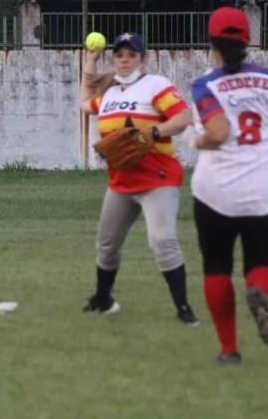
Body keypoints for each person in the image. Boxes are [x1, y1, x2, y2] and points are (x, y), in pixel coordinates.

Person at [189, 7, 268, 363]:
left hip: (216, 192)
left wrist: (198, 141)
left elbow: (218, 133)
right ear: (248, 40)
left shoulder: (206, 84)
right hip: (265, 190)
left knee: (217, 267)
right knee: (262, 262)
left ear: (211, 41)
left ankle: (229, 350)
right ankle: (257, 290)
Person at [79, 32, 199, 325]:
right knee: (106, 244)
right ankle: (104, 299)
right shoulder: (109, 93)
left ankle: (184, 309)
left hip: (157, 179)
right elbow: (85, 103)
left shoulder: (155, 86)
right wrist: (90, 61)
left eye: (131, 54)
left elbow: (184, 118)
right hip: (121, 181)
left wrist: (155, 132)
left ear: (142, 59)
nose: (124, 59)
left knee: (162, 241)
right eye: (119, 54)